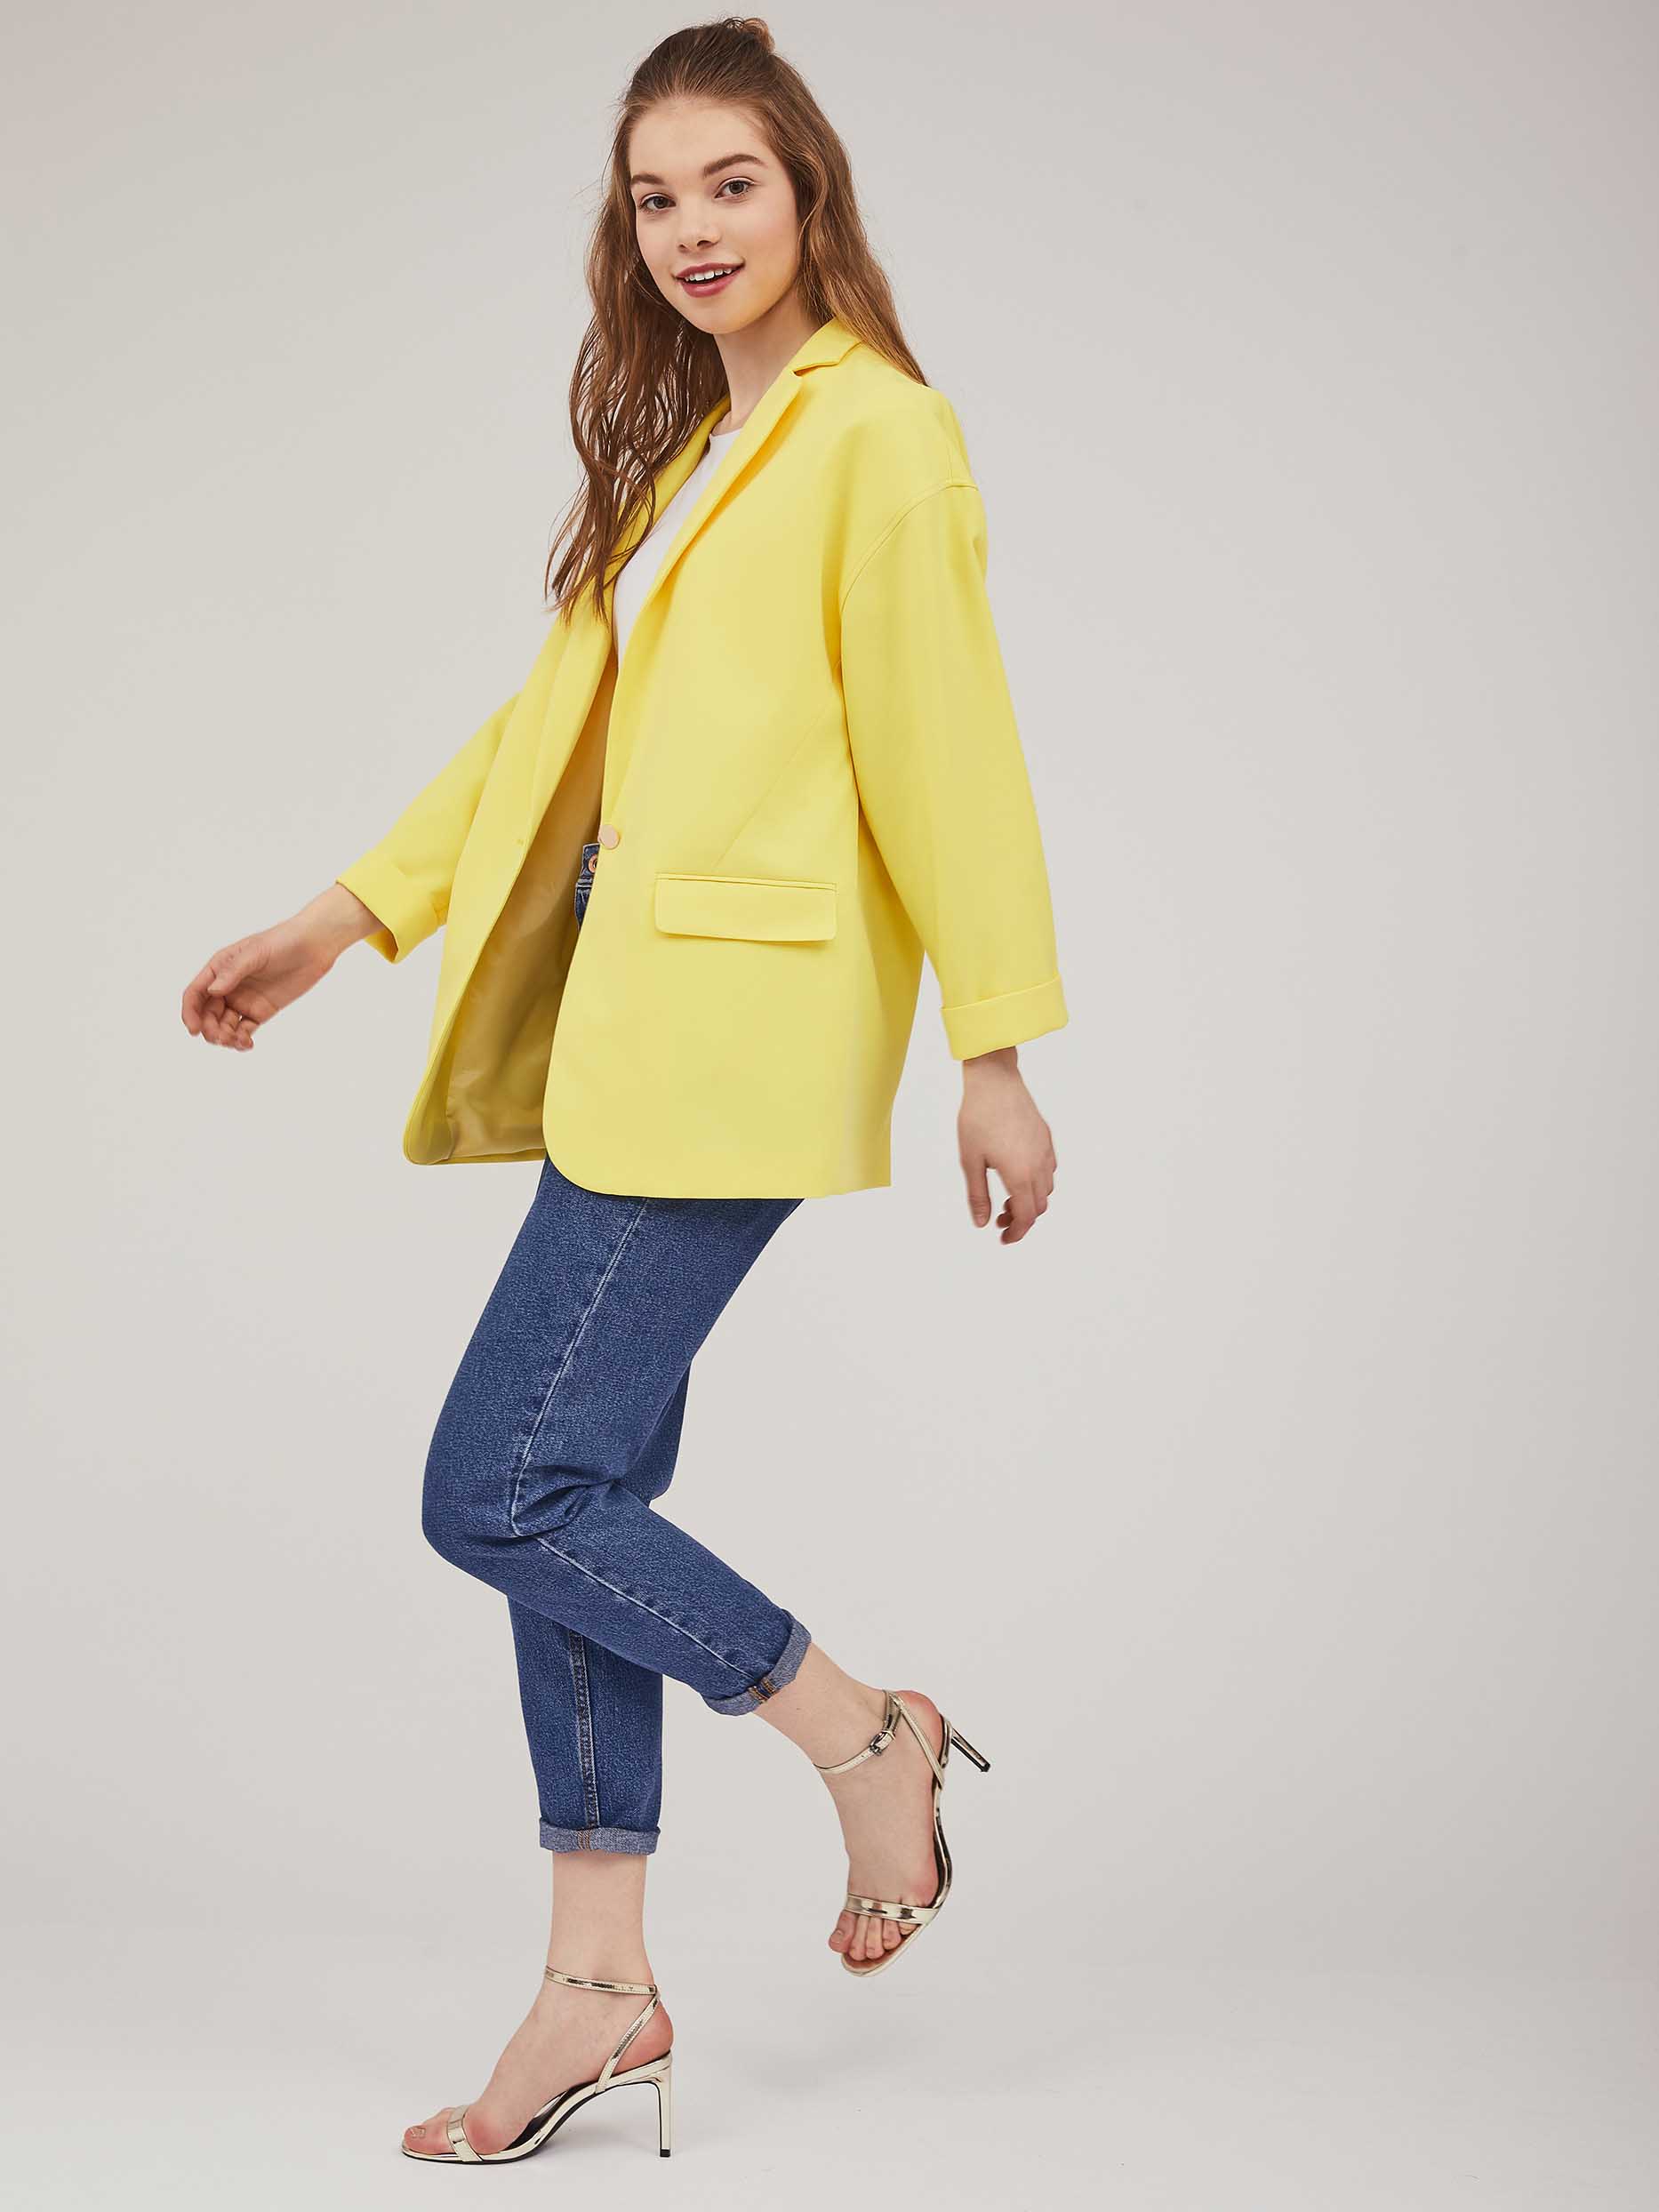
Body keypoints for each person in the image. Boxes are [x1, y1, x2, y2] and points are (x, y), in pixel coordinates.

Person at [180, 14, 1066, 2170]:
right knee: (575, 1495)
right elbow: (537, 738)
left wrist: (996, 1046)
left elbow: (951, 743)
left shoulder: (882, 436)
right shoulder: (691, 455)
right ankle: (597, 1980)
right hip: (629, 1030)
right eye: (656, 196)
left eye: (730, 184)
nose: (691, 228)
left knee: (498, 1481)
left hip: (737, 1041)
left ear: (810, 192)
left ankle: (864, 1730)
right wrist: (341, 917)